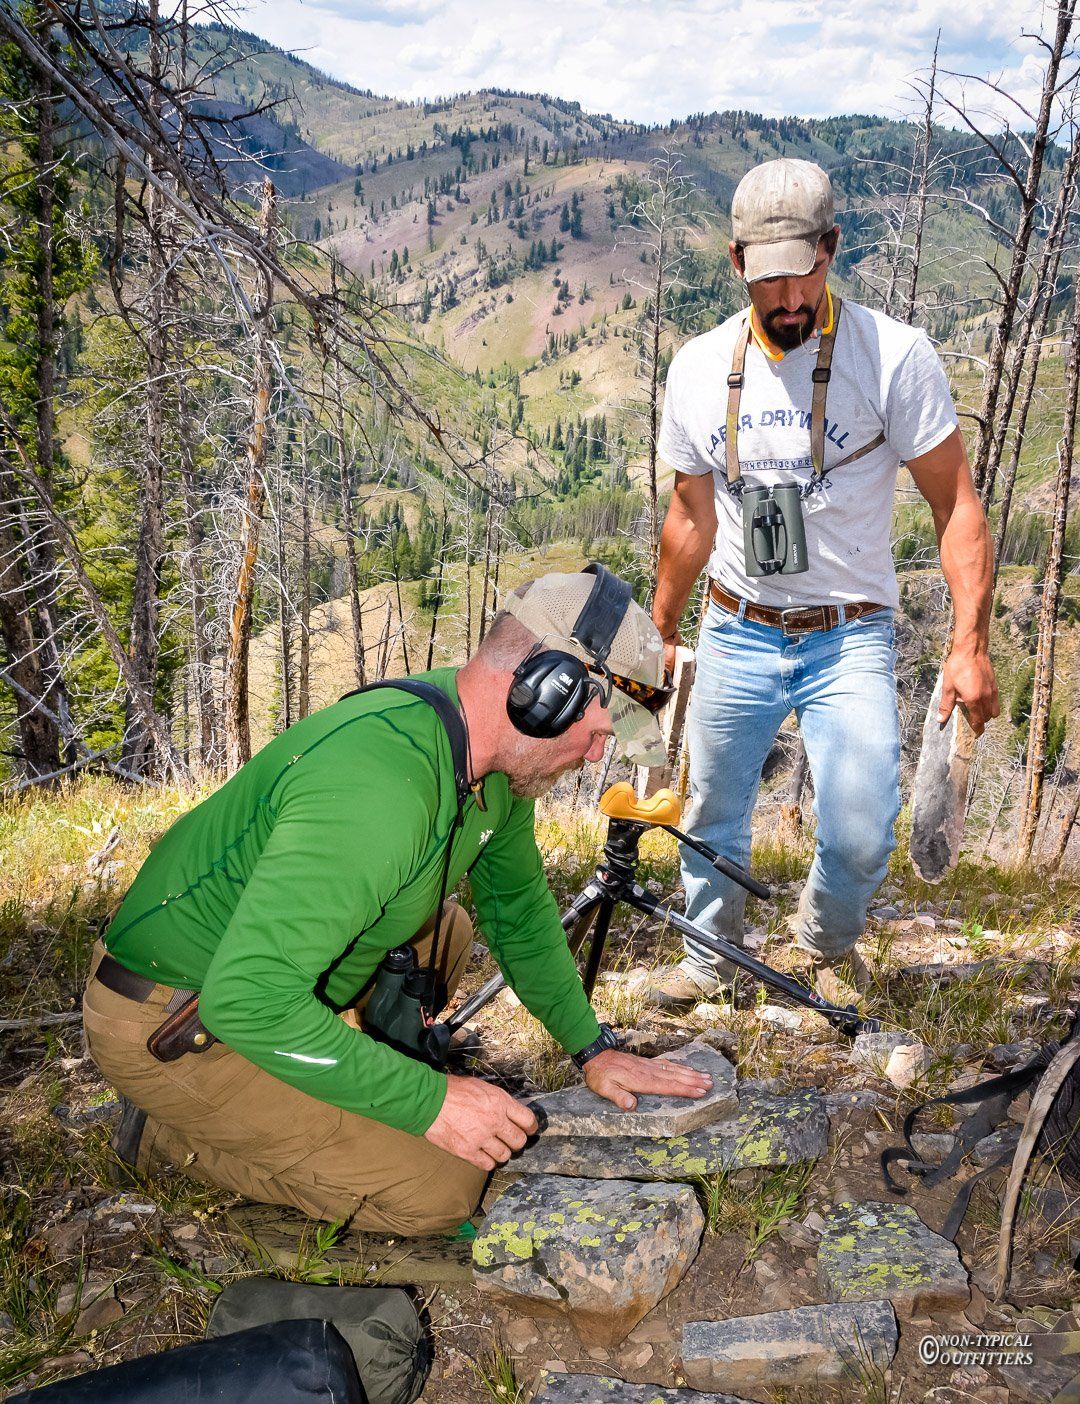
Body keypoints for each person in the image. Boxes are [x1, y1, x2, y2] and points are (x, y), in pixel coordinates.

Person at [83, 567, 711, 1238]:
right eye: (597, 731)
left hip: (258, 989)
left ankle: (326, 1073)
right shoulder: (379, 790)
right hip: (179, 1020)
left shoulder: (487, 759)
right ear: (545, 691)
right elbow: (249, 1001)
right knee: (442, 1189)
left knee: (449, 929)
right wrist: (429, 1102)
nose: (593, 758)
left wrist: (592, 1048)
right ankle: (166, 1135)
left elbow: (520, 913)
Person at [644, 158, 1000, 1011]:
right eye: (769, 279)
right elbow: (690, 521)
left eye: (805, 271)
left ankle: (822, 943)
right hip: (737, 624)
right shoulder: (698, 369)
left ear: (832, 249)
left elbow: (956, 504)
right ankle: (708, 959)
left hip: (849, 632)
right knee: (710, 813)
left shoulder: (894, 356)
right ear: (737, 265)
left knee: (858, 827)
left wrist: (970, 645)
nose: (789, 297)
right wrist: (656, 629)